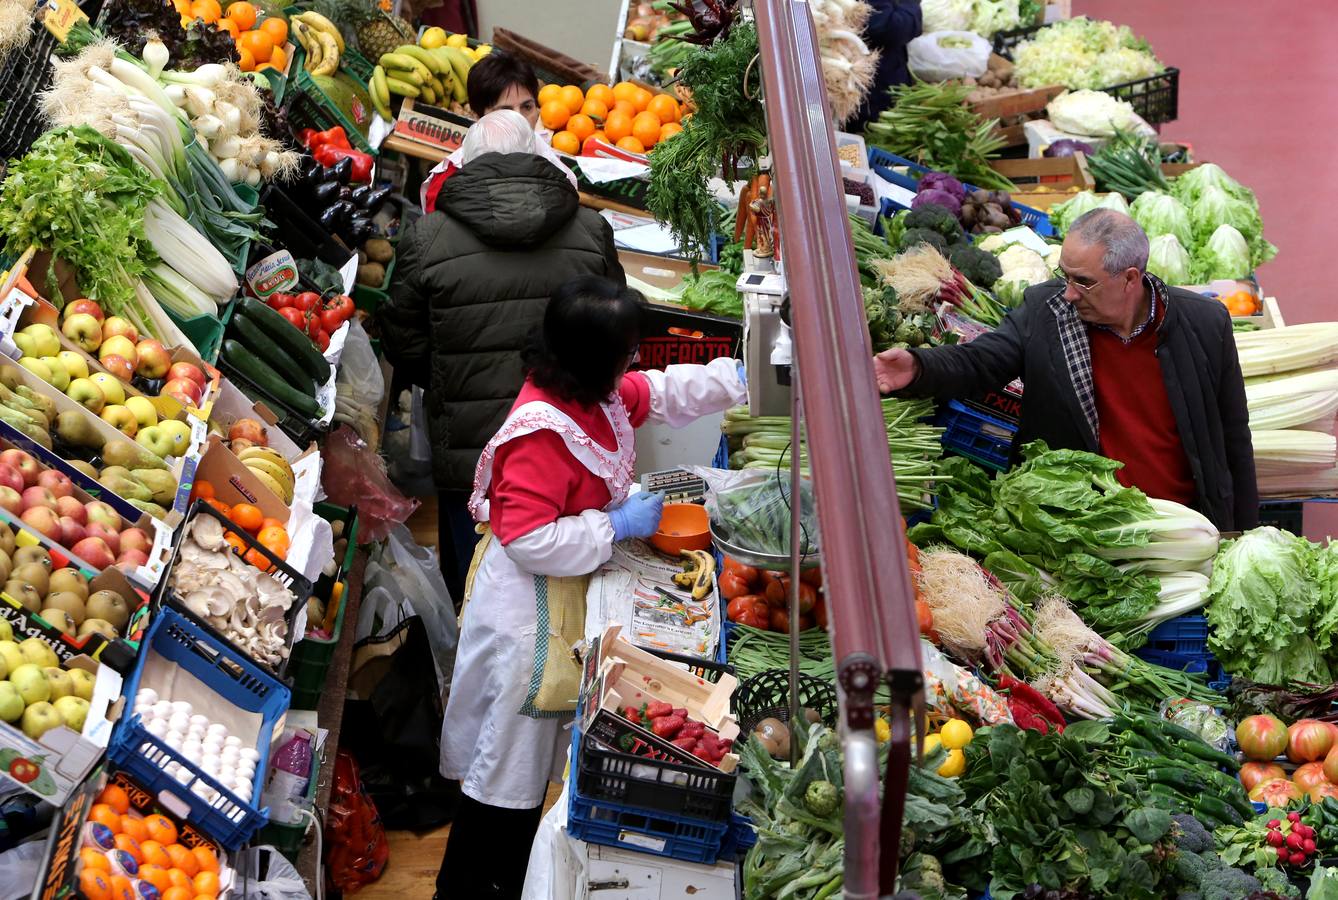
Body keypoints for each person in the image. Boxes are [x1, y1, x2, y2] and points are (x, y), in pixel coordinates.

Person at [434, 276, 748, 899]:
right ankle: (471, 887)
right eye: (626, 351)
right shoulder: (540, 431)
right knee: (505, 771)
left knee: (523, 767)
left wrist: (740, 377)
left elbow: (655, 392)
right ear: (593, 358)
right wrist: (614, 524)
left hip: (562, 596)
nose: (633, 362)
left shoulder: (593, 393)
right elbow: (527, 539)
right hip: (525, 616)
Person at [873, 208, 1258, 530]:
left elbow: (1233, 437)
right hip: (1079, 524)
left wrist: (1242, 532)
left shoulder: (1205, 324)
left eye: (1084, 282)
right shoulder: (1047, 312)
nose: (1069, 292)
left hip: (1182, 526)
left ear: (1129, 279)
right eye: (1065, 276)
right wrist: (919, 367)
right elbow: (980, 361)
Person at [382, 110, 623, 605]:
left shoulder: (427, 239)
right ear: (539, 158)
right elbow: (614, 332)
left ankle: (466, 676)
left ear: (463, 165)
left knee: (477, 585)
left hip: (470, 451)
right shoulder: (592, 230)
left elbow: (404, 346)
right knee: (570, 578)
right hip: (572, 440)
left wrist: (449, 383)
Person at [418, 52, 574, 212]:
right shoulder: (446, 185)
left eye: (527, 107)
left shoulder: (555, 172)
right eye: (505, 110)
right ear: (478, 116)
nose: (519, 119)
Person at [849, 0, 922, 129]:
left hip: (873, 76)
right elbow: (890, 27)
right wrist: (911, 4)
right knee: (869, 133)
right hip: (868, 90)